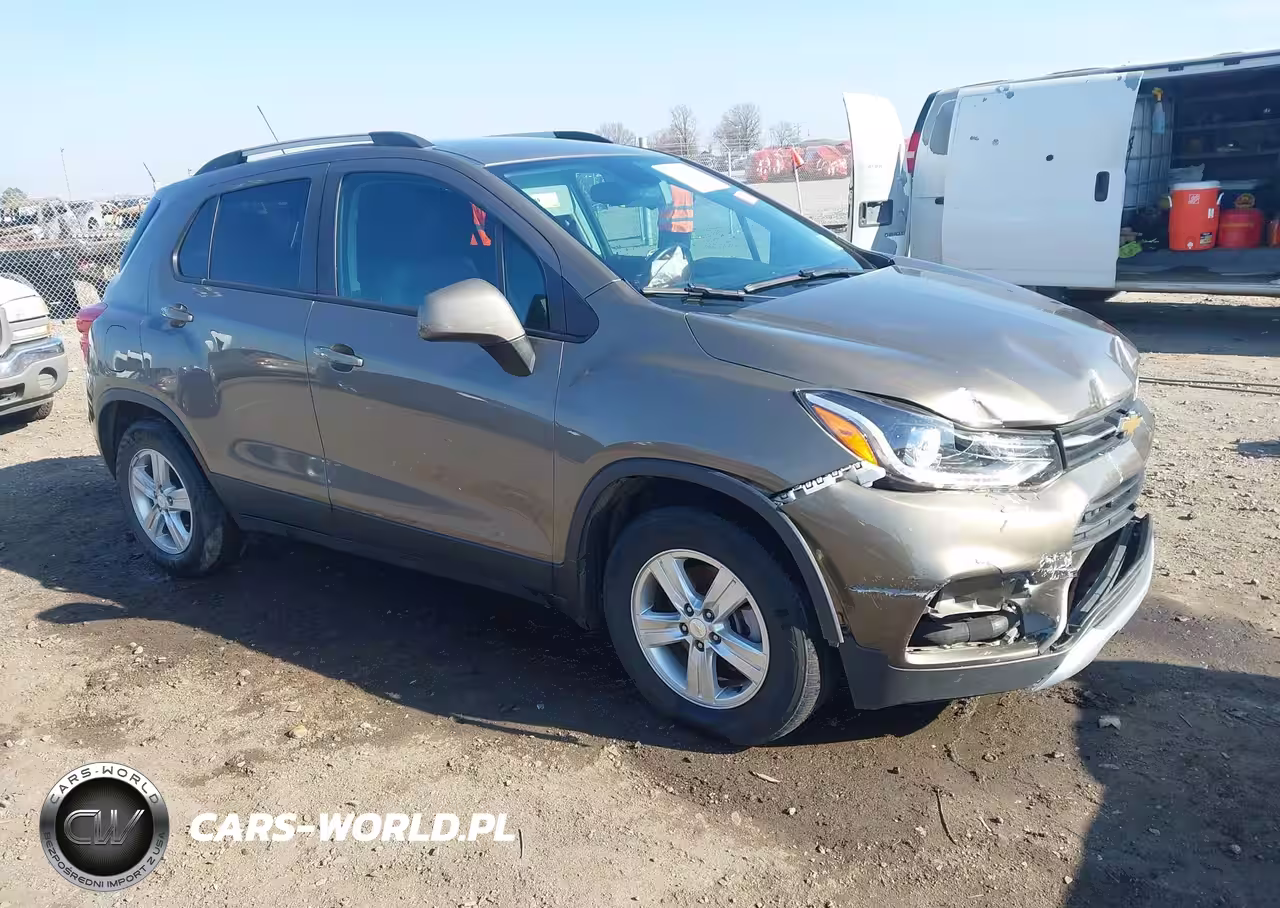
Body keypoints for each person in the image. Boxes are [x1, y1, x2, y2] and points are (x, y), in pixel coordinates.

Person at [656, 184, 694, 254]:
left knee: (666, 259)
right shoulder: (687, 184)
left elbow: (654, 201)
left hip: (668, 229)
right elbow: (693, 200)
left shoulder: (665, 185)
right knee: (683, 258)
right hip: (686, 229)